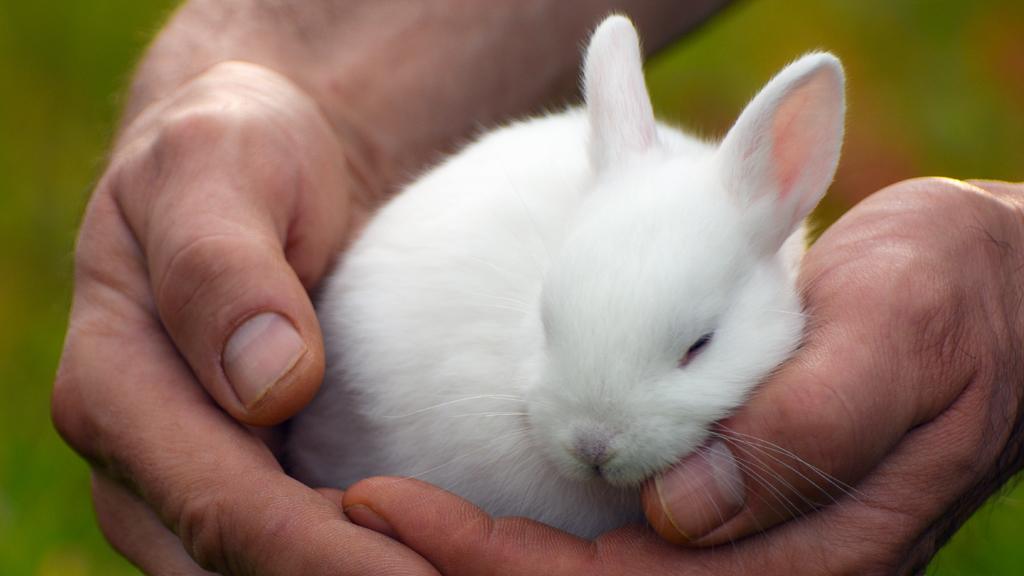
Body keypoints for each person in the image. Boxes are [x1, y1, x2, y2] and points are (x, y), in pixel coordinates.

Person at [51, 1, 1024, 574]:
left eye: (690, 352)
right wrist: (292, 71)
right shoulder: (583, 212)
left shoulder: (741, 228)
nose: (596, 440)